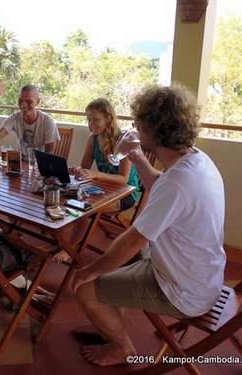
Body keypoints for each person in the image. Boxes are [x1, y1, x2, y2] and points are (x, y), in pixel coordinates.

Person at [71, 85, 226, 366]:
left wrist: (89, 270)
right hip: (202, 274)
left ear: (152, 131)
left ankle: (123, 348)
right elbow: (160, 184)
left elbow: (133, 238)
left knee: (83, 288)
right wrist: (137, 157)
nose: (134, 128)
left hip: (183, 290)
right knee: (118, 263)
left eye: (138, 124)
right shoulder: (195, 161)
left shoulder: (179, 182)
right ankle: (106, 323)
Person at [53, 98, 140, 263]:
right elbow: (84, 167)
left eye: (96, 119)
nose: (91, 123)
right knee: (70, 198)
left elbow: (123, 180)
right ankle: (68, 240)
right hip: (103, 189)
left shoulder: (124, 140)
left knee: (85, 208)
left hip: (126, 193)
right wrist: (78, 171)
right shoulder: (93, 139)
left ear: (108, 118)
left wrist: (96, 175)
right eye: (89, 119)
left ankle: (71, 248)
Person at [0, 84, 60, 160]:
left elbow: (49, 154)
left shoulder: (48, 122)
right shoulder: (14, 118)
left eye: (28, 101)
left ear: (37, 102)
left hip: (39, 165)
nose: (23, 105)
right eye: (20, 101)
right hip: (19, 164)